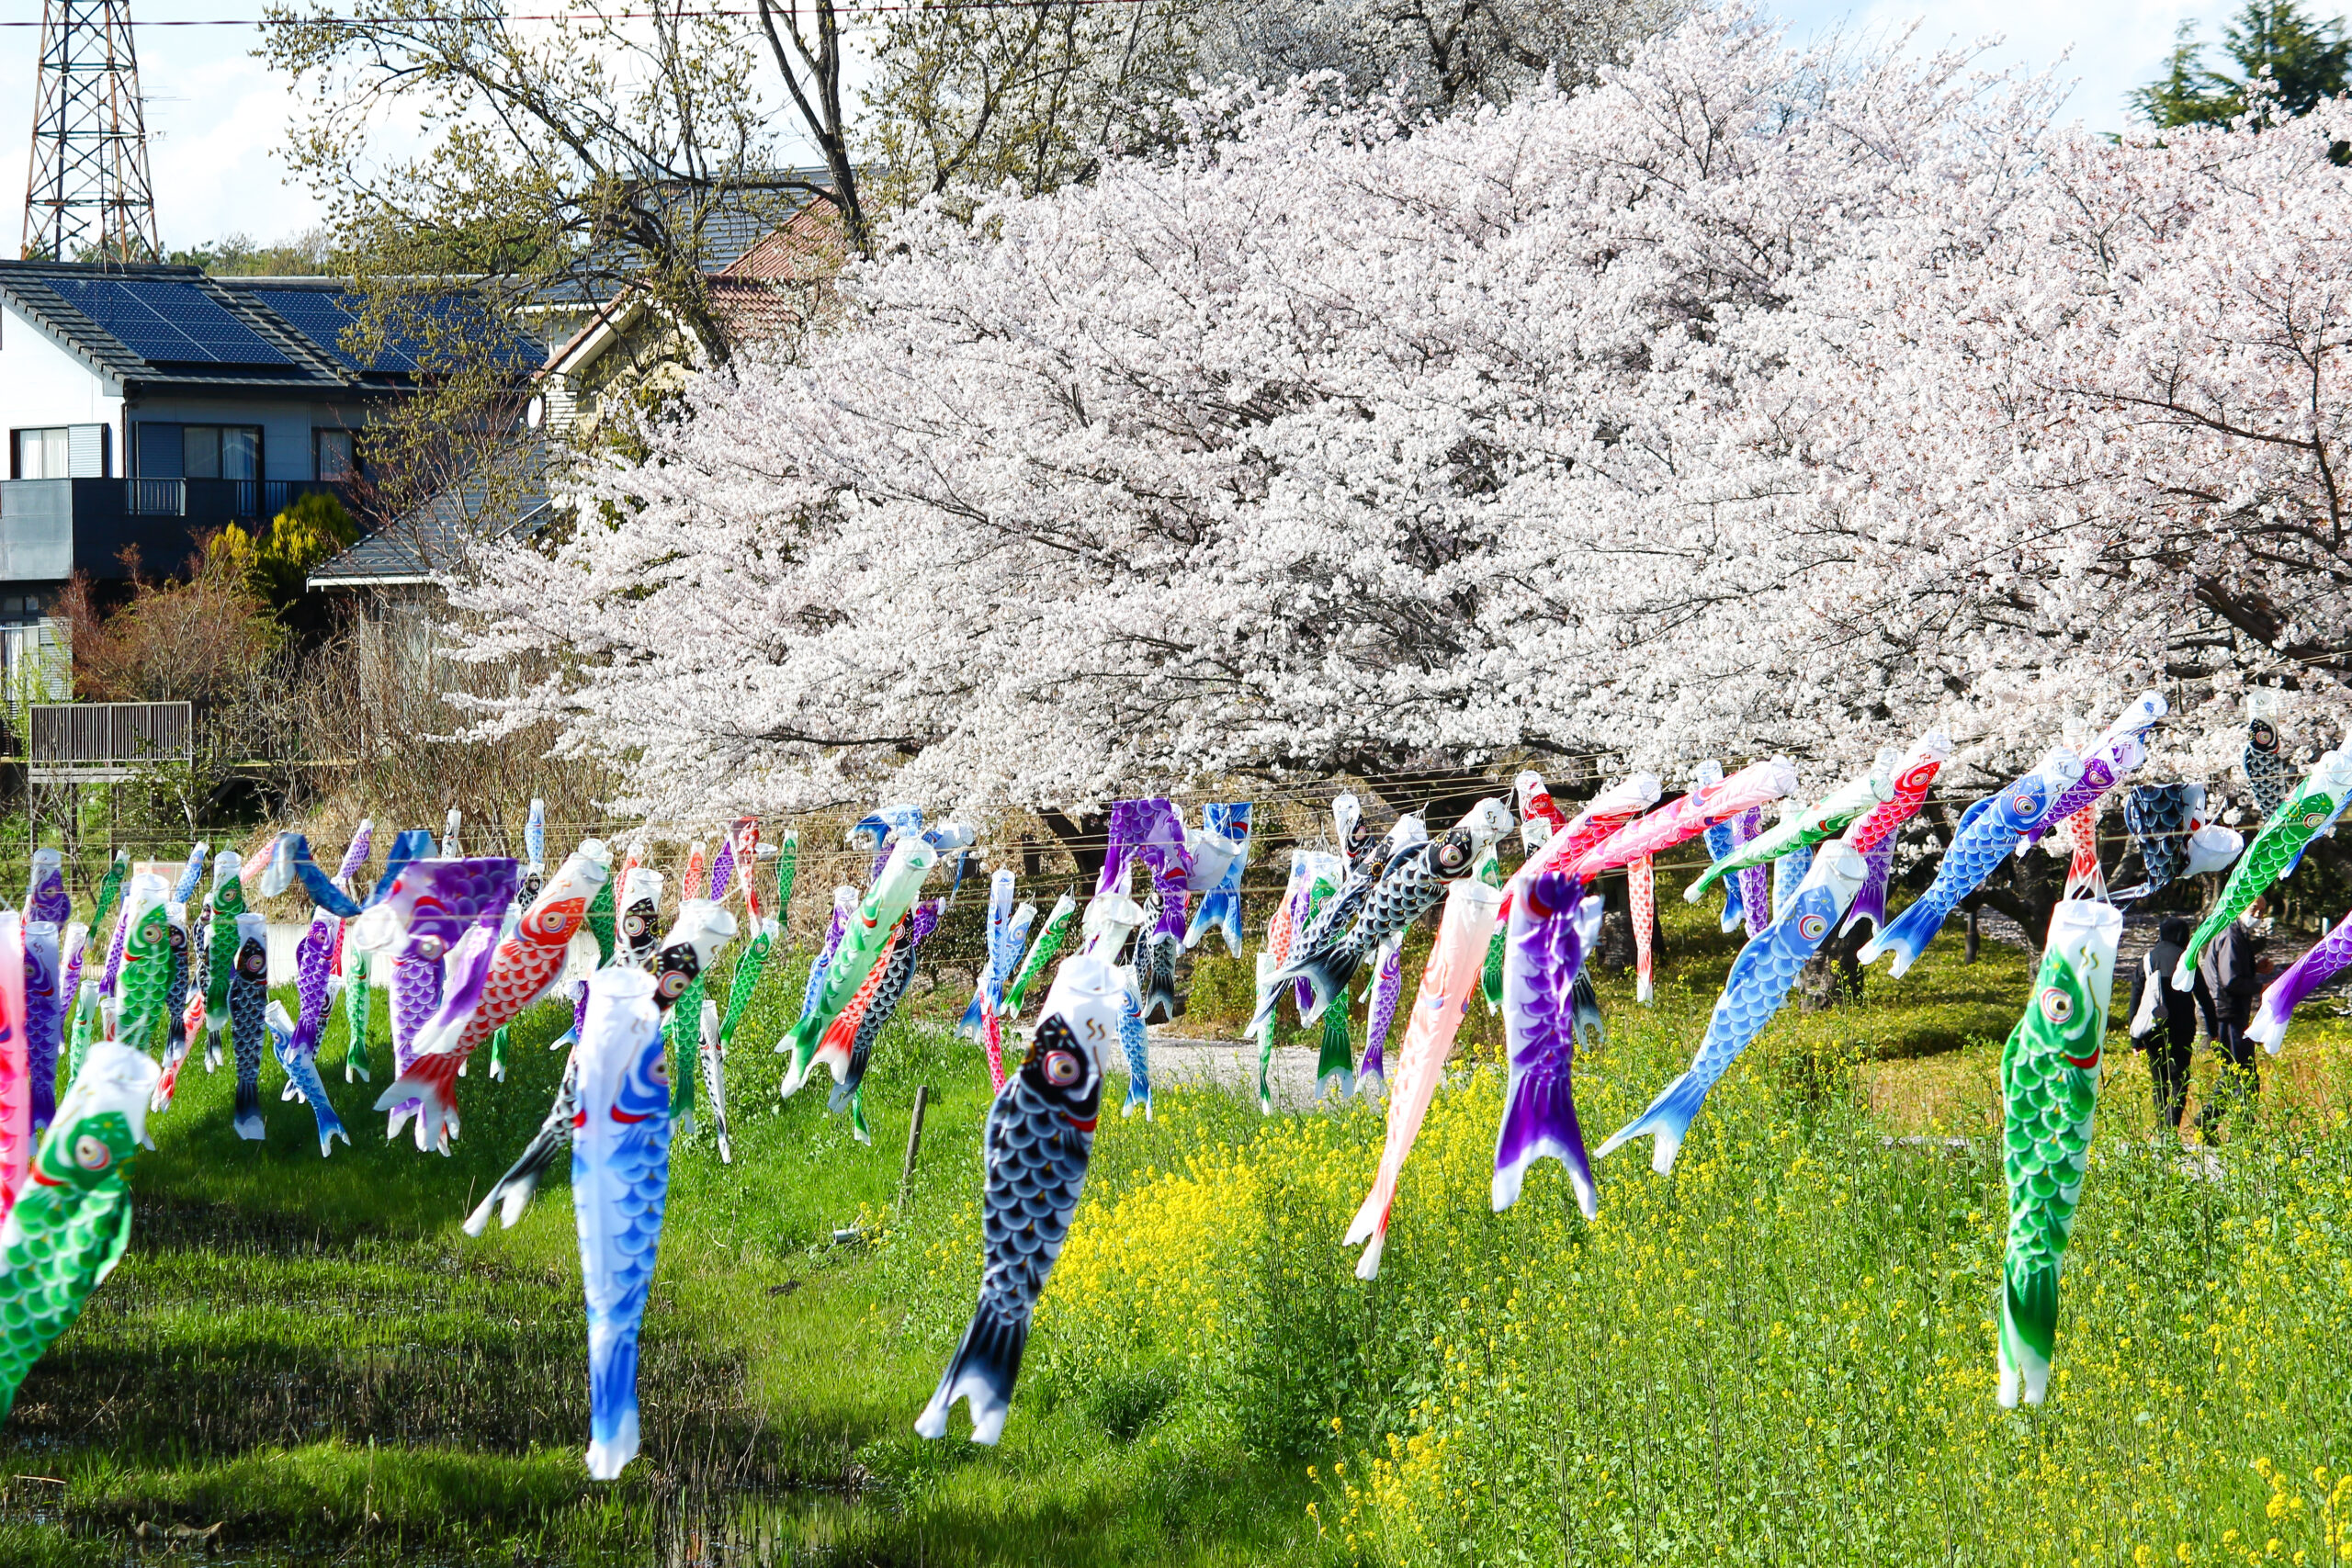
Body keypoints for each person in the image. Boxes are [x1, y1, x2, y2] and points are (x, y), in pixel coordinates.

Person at [2194, 898, 2271, 1140]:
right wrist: (2261, 986)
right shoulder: (2231, 935)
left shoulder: (2234, 934)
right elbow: (2231, 981)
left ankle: (2206, 1121)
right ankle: (2243, 1135)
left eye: (2262, 912)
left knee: (2232, 1073)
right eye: (2254, 909)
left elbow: (2232, 971)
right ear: (2241, 907)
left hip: (2226, 1013)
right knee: (2245, 1075)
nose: (2257, 915)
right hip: (2228, 1014)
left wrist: (2255, 968)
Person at [2126, 915, 2211, 1134]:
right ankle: (2172, 1128)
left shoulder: (2147, 959)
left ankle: (2162, 1129)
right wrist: (2214, 1030)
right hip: (2182, 1029)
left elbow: (2136, 997)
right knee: (2179, 1077)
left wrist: (2135, 1037)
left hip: (2153, 1028)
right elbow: (2203, 996)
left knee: (2159, 1079)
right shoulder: (2186, 959)